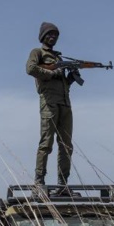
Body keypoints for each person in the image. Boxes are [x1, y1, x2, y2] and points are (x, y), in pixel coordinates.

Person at [26, 22, 78, 194]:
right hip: (49, 103)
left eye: (55, 35)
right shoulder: (38, 53)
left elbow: (63, 85)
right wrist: (52, 73)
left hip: (65, 104)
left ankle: (63, 184)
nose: (53, 37)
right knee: (46, 143)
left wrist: (70, 78)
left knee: (66, 145)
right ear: (43, 36)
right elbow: (31, 68)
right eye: (50, 34)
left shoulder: (59, 59)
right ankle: (39, 182)